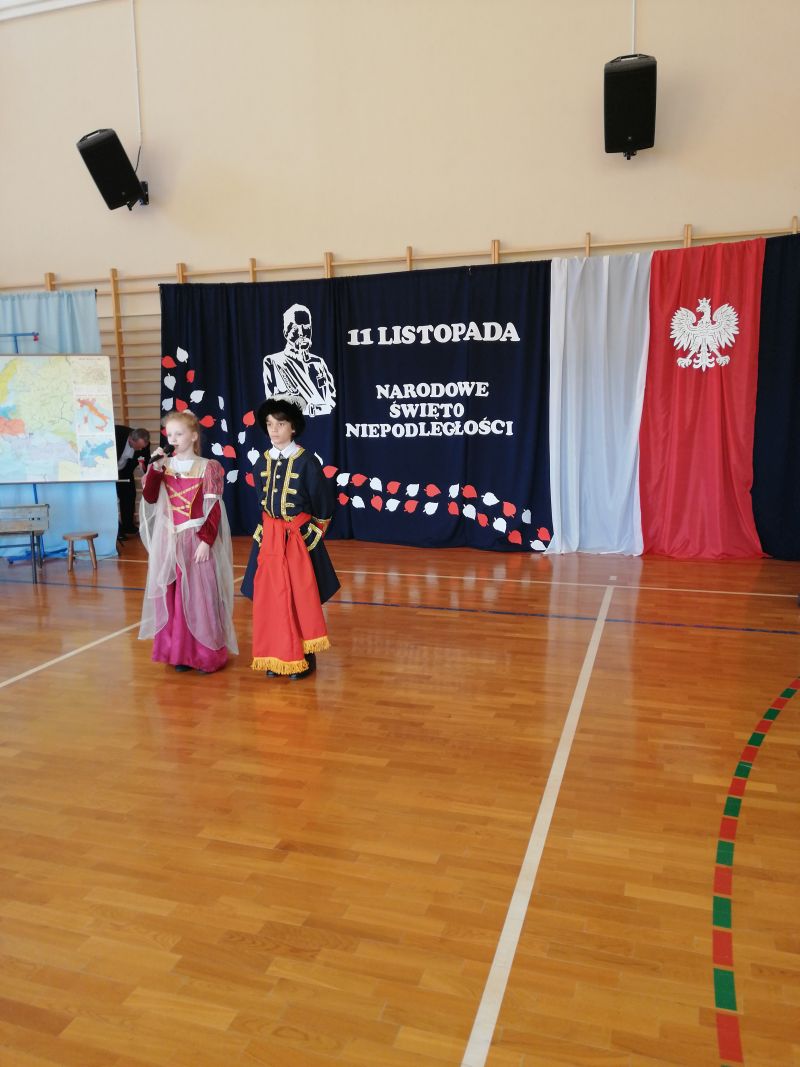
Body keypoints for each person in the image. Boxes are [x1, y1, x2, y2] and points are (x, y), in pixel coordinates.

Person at [241, 395, 339, 679]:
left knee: (300, 599)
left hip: (299, 540)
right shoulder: (262, 461)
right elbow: (262, 500)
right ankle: (277, 656)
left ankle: (305, 657)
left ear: (293, 427)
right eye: (270, 424)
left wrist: (311, 537)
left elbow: (323, 505)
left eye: (281, 424)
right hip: (270, 539)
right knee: (271, 598)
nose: (274, 429)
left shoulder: (307, 461)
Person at [138, 410, 237, 673]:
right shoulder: (163, 466)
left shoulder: (208, 466)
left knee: (200, 596)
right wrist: (155, 468)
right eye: (169, 434)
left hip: (195, 537)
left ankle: (205, 654)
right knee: (173, 595)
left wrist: (206, 541)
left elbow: (214, 508)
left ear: (193, 436)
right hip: (169, 539)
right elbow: (150, 498)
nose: (173, 439)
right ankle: (179, 653)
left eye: (179, 434)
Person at [262, 303, 337, 416]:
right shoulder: (273, 362)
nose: (302, 333)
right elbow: (273, 404)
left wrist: (313, 408)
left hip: (324, 424)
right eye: (295, 328)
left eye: (306, 327)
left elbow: (331, 400)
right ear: (285, 333)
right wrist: (311, 409)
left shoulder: (318, 362)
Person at [115, 424, 150, 538]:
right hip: (108, 470)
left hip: (125, 470)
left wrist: (148, 477)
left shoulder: (144, 445)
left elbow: (146, 462)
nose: (140, 450)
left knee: (129, 496)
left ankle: (128, 526)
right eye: (138, 447)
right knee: (110, 499)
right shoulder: (116, 434)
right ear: (130, 439)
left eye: (142, 447)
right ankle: (116, 529)